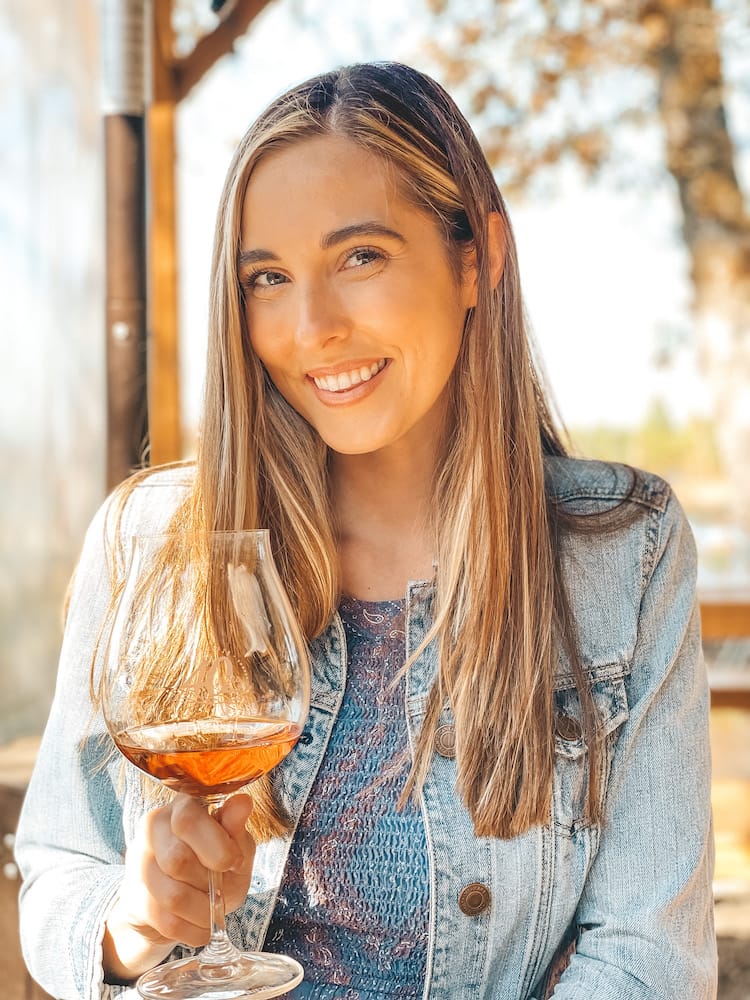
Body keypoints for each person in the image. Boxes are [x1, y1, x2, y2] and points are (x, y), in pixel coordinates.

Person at [16, 62, 716, 1000]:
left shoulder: (623, 550)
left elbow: (647, 962)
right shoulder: (150, 543)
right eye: (267, 277)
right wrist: (131, 920)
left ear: (478, 260)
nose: (312, 328)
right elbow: (60, 860)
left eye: (360, 257)